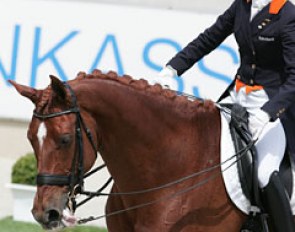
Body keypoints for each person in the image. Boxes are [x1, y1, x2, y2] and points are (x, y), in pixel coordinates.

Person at [159, 0, 295, 231]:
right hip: (237, 96)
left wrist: (269, 112)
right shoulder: (241, 5)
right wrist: (172, 69)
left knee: (264, 174)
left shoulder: (287, 15)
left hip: (270, 103)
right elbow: (210, 38)